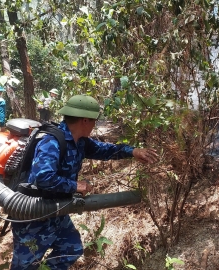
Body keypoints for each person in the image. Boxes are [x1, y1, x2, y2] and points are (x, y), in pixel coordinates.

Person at [11, 94, 159, 269]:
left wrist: (133, 151)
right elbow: (42, 177)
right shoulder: (51, 141)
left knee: (72, 249)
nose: (95, 124)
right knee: (25, 266)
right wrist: (76, 185)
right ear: (85, 121)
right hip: (34, 216)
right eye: (94, 120)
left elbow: (104, 150)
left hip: (57, 212)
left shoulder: (79, 141)